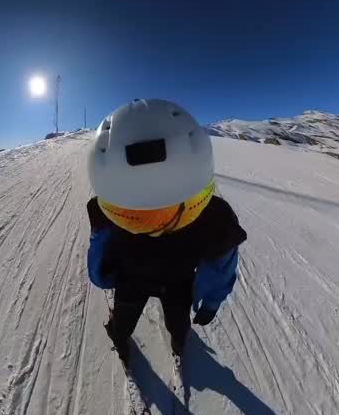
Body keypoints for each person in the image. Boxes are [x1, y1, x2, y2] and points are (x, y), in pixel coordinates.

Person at [86, 98, 247, 364]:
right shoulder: (215, 217)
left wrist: (106, 275)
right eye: (135, 217)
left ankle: (121, 337)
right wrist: (210, 303)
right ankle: (178, 343)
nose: (156, 226)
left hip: (131, 279)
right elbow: (220, 270)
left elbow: (99, 264)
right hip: (177, 281)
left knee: (125, 319)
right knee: (178, 320)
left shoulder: (105, 211)